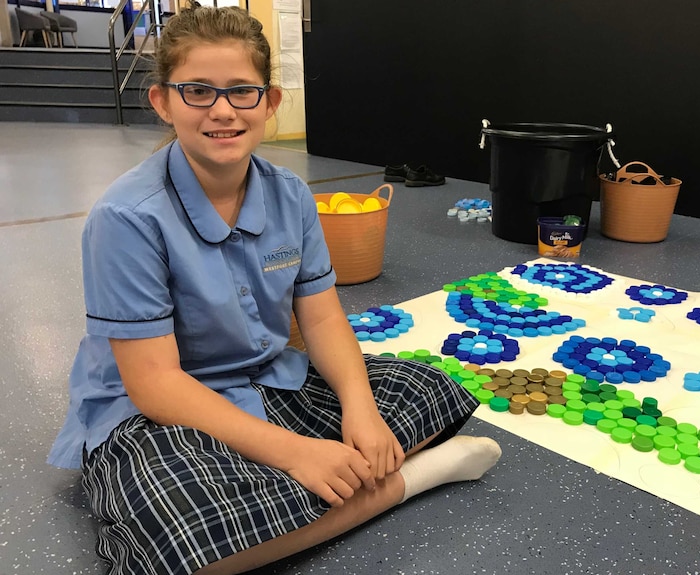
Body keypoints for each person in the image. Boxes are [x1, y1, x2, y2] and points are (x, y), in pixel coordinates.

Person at [47, 6, 501, 574]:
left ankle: (309, 492)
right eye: (197, 92)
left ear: (270, 103)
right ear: (162, 101)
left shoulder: (290, 195)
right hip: (160, 413)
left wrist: (360, 411)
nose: (222, 111)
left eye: (242, 92)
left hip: (267, 379)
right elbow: (156, 384)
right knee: (178, 534)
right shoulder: (127, 217)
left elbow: (323, 320)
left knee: (427, 386)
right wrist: (297, 453)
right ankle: (410, 479)